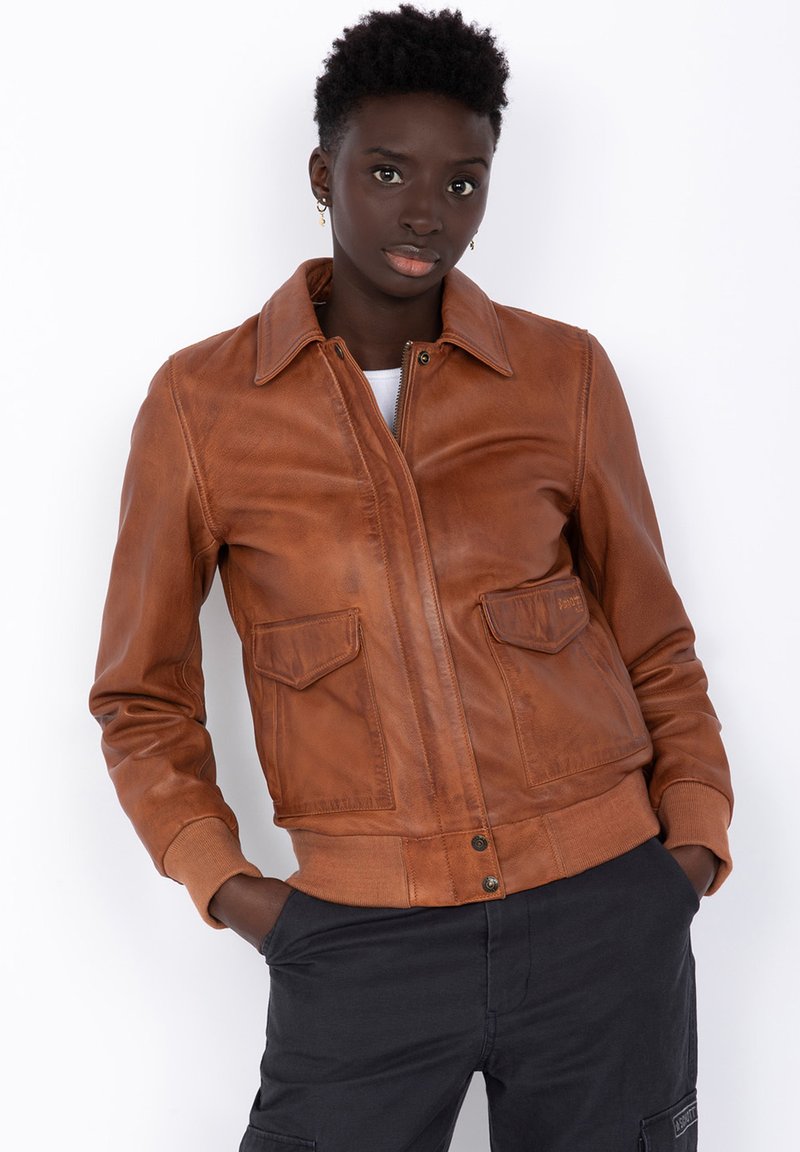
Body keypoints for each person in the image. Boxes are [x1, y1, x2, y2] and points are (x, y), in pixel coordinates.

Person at [90, 6, 733, 1150]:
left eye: (462, 182)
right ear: (320, 174)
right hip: (358, 945)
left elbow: (652, 639)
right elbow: (140, 697)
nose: (425, 212)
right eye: (386, 171)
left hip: (600, 915)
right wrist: (231, 887)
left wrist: (684, 847)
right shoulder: (201, 407)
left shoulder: (562, 376)